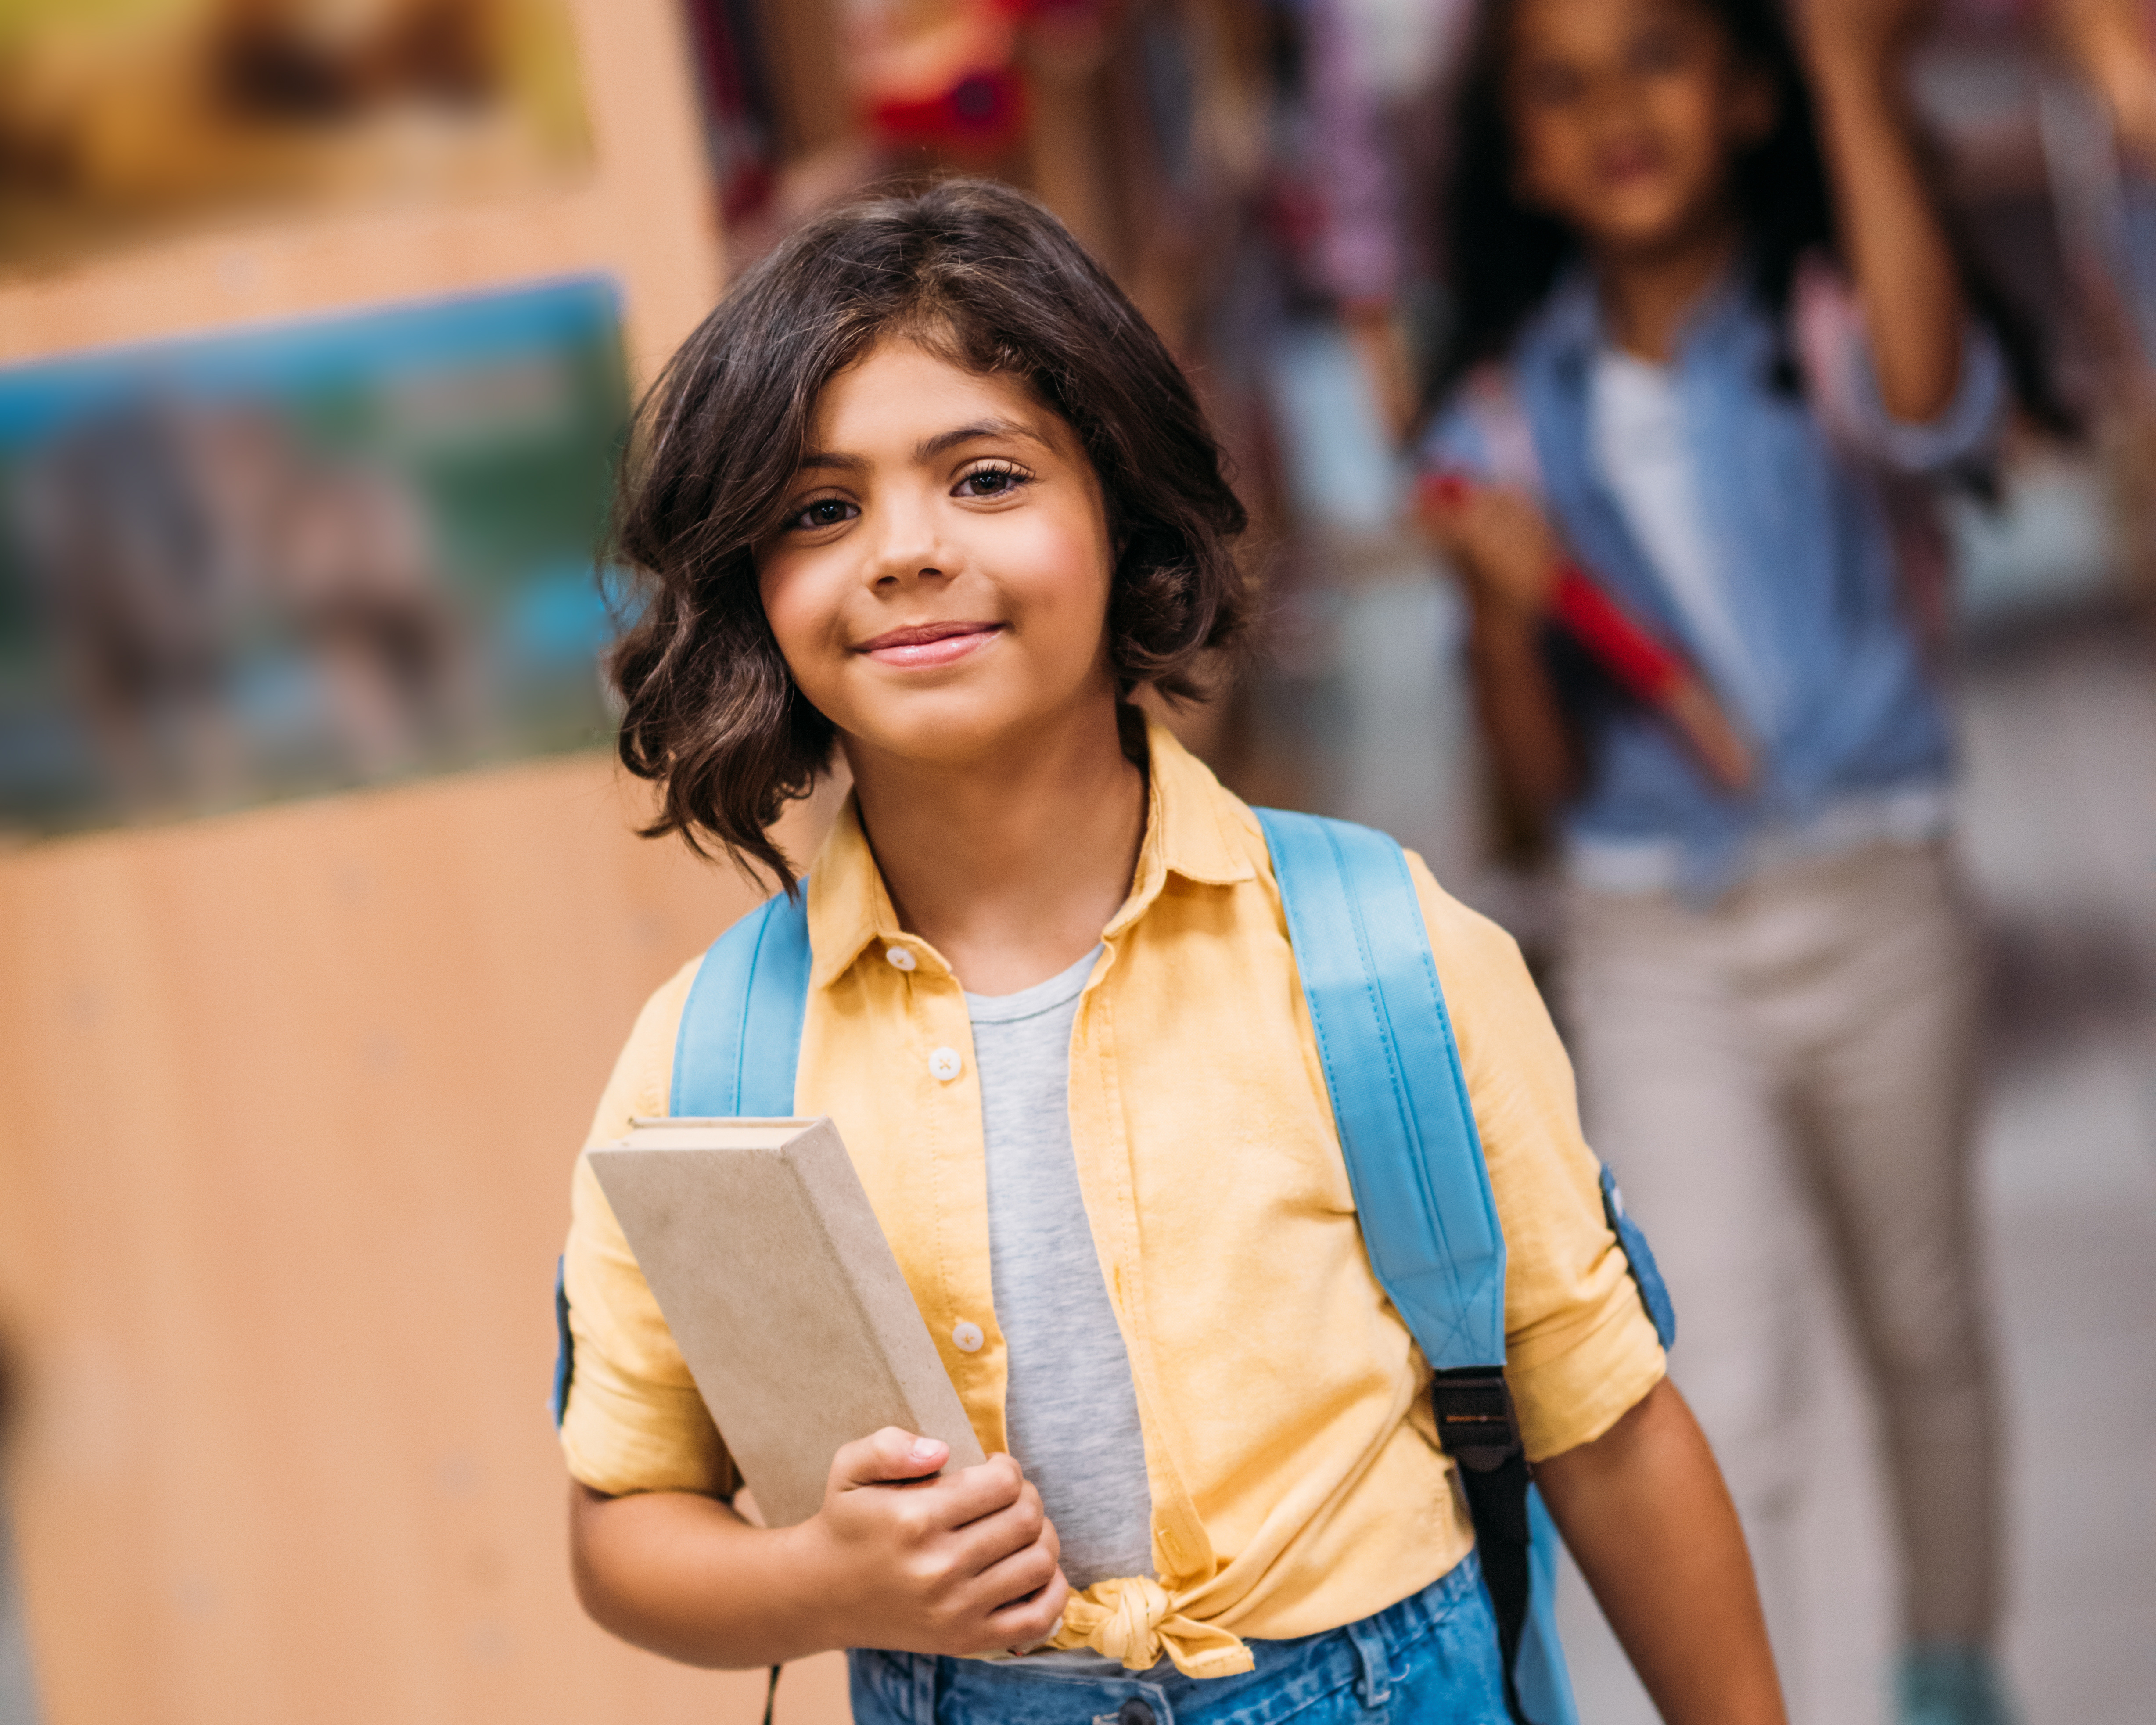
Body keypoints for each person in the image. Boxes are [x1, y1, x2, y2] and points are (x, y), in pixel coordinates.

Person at [557, 177, 1782, 1725]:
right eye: (821, 509)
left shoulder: (1378, 957)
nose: (907, 550)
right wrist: (829, 1584)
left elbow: (1607, 1435)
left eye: (987, 477)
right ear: (752, 589)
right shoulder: (706, 1067)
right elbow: (624, 1524)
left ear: (1123, 513)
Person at [1416, 4, 2024, 1724]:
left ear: (1748, 94)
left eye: (1659, 57)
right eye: (1562, 83)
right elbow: (1533, 796)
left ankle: (1953, 1678)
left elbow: (1928, 411)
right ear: (1518, 154)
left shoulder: (1830, 323)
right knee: (1712, 1387)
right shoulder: (1499, 420)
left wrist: (1852, 70)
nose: (1615, 108)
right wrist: (1507, 626)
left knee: (1923, 1331)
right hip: (1650, 937)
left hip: (1877, 890)